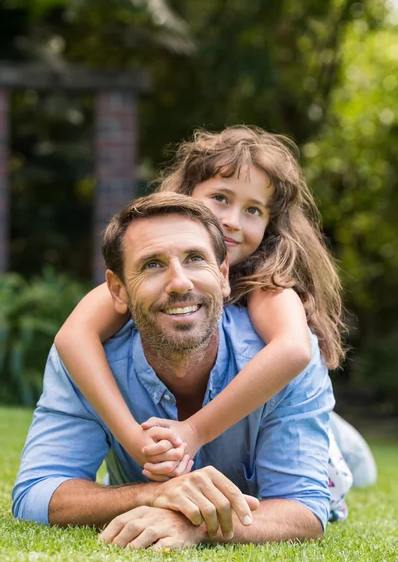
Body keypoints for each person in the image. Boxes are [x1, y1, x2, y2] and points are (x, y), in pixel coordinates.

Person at [54, 126, 353, 515]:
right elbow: (73, 336)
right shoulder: (147, 284)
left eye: (253, 210)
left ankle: (346, 443)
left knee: (334, 460)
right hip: (195, 452)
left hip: (308, 452)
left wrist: (193, 431)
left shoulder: (270, 284)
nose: (231, 221)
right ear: (185, 197)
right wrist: (134, 441)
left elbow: (294, 350)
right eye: (220, 198)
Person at [13, 192, 333, 549]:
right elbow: (36, 494)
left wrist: (195, 525)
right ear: (117, 290)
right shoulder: (89, 358)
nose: (180, 283)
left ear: (224, 274)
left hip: (318, 443)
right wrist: (156, 494)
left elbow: (305, 509)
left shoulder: (284, 353)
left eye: (195, 258)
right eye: (152, 264)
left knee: (340, 470)